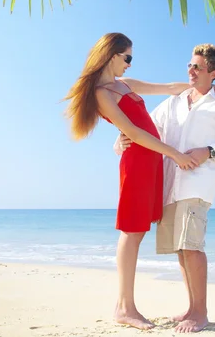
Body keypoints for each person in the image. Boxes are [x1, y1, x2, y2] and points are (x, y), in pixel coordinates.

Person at [64, 33, 199, 330]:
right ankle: (124, 307)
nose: (129, 64)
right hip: (138, 162)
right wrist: (175, 154)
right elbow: (134, 133)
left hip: (150, 161)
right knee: (132, 231)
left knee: (138, 231)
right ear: (112, 55)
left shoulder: (124, 85)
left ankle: (124, 307)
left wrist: (199, 87)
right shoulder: (102, 93)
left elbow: (168, 88)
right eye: (128, 58)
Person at [114, 44, 215, 333]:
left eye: (197, 67)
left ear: (213, 72)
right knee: (181, 250)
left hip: (198, 184)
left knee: (192, 247)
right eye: (189, 65)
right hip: (169, 183)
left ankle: (201, 312)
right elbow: (147, 127)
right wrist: (120, 139)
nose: (190, 70)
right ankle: (190, 307)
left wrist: (208, 151)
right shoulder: (174, 101)